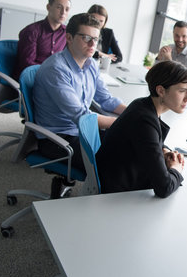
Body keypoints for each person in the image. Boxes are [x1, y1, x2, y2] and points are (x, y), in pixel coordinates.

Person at [33, 13, 126, 176]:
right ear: (69, 38)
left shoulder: (90, 64)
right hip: (58, 138)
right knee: (116, 165)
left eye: (95, 39)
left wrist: (134, 113)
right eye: (85, 38)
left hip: (81, 131)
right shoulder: (56, 69)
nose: (92, 44)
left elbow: (106, 100)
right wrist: (125, 123)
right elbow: (81, 116)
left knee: (131, 147)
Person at [96, 60, 187, 198]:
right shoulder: (144, 121)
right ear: (161, 91)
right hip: (118, 195)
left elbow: (150, 141)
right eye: (182, 91)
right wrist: (176, 168)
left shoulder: (142, 104)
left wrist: (164, 150)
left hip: (118, 178)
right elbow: (164, 187)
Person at [14, 0, 71, 80]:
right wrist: (51, 73)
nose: (63, 12)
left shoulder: (67, 33)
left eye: (67, 9)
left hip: (53, 76)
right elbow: (27, 64)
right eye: (59, 7)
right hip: (31, 77)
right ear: (48, 7)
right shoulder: (32, 31)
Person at [155, 20, 187, 96]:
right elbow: (155, 73)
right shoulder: (170, 48)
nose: (180, 39)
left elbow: (182, 81)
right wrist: (159, 58)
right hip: (170, 91)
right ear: (173, 34)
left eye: (184, 36)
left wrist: (168, 60)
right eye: (177, 35)